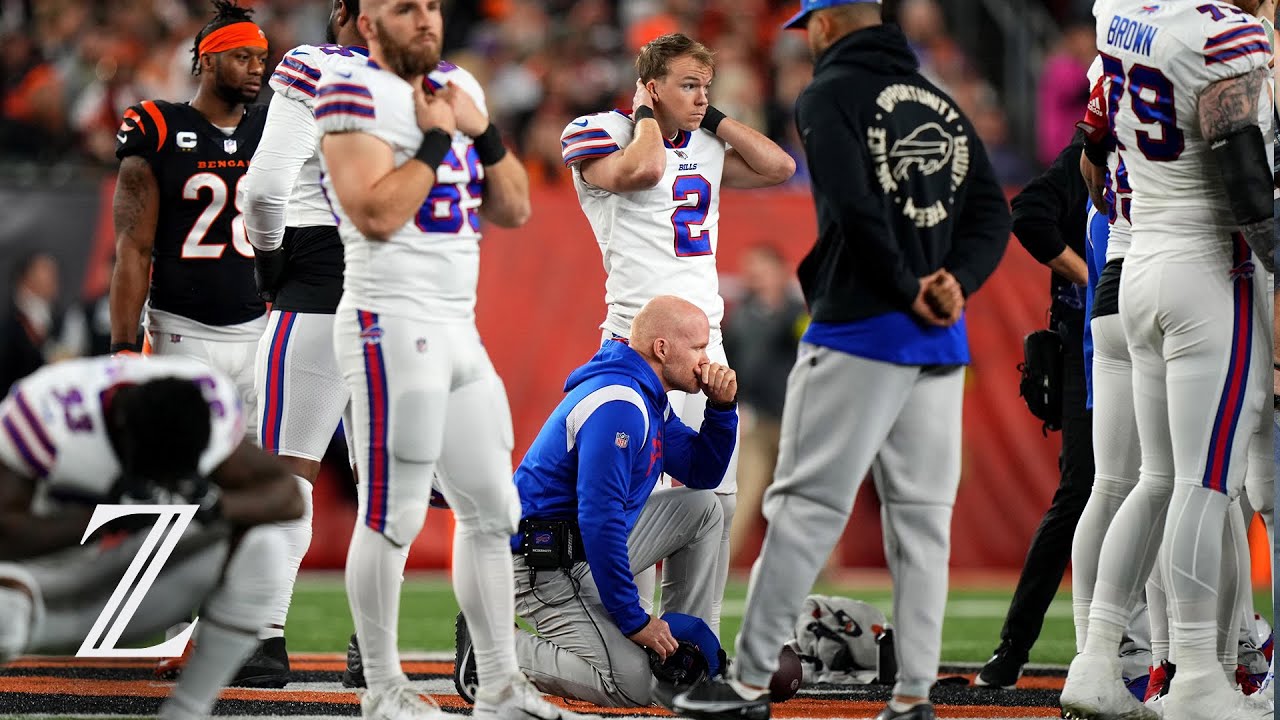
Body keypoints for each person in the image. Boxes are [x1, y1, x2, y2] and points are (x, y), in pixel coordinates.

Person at [672, 2, 1010, 719]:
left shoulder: (827, 94)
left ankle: (748, 683)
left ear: (824, 24)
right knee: (922, 522)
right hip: (940, 342)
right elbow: (991, 213)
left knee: (800, 510)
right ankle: (915, 694)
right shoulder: (938, 98)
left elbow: (855, 212)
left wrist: (904, 287)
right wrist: (955, 281)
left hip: (861, 328)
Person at [315, 1, 574, 718]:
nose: (425, 19)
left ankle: (498, 686)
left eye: (430, 5)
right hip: (387, 321)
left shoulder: (459, 88)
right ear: (367, 22)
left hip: (458, 326)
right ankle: (384, 690)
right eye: (405, 8)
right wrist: (433, 144)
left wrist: (481, 129)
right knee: (392, 514)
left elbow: (516, 207)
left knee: (494, 509)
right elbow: (373, 211)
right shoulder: (351, 89)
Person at [1059, 0, 1274, 718]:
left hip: (1136, 256)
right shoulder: (1226, 35)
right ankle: (1195, 679)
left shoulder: (1118, 12)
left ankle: (1094, 661)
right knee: (1204, 484)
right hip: (1209, 267)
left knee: (1151, 480)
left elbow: (1091, 143)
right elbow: (1248, 191)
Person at [560, 32, 794, 637]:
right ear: (651, 84)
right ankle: (625, 633)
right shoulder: (602, 132)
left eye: (706, 87)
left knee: (714, 498)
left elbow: (781, 167)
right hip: (634, 345)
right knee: (636, 497)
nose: (699, 99)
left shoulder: (707, 141)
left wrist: (711, 117)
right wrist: (645, 113)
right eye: (688, 86)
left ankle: (696, 637)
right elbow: (642, 170)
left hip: (705, 342)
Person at [0, 354, 303, 720]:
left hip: (143, 587)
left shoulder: (203, 406)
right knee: (5, 615)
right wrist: (108, 516)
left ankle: (186, 712)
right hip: (41, 596)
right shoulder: (45, 410)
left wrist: (211, 503)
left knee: (264, 549)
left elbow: (288, 497)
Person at [489, 295, 737, 708]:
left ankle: (679, 657)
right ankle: (490, 652)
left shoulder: (646, 392)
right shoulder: (619, 404)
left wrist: (721, 410)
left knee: (703, 508)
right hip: (541, 564)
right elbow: (598, 519)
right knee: (634, 686)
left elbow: (701, 471)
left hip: (579, 549)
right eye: (697, 346)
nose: (705, 359)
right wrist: (635, 621)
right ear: (662, 348)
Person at [235, 0, 368, 688]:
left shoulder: (313, 65)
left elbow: (263, 188)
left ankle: (263, 637)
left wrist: (268, 262)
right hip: (398, 295)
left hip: (316, 282)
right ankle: (374, 651)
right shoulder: (435, 83)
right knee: (390, 486)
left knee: (287, 470)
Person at [108, 0, 269, 438]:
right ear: (208, 61)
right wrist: (123, 347)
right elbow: (133, 249)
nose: (257, 68)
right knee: (182, 465)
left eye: (261, 58)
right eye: (243, 57)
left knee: (258, 475)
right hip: (182, 330)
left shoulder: (273, 128)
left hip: (259, 331)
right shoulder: (158, 125)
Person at [975, 132, 1094, 689]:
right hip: (1089, 340)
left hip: (1144, 335)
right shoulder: (1093, 148)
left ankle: (1153, 642)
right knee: (1087, 488)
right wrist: (1093, 280)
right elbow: (1029, 213)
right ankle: (1015, 644)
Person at [721, 244, 806, 562]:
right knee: (742, 497)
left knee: (803, 499)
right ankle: (719, 566)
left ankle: (824, 569)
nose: (755, 278)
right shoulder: (741, 317)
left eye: (762, 270)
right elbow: (732, 363)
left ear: (782, 272)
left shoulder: (798, 314)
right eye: (752, 271)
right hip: (756, 420)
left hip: (795, 422)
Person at [0, 252, 62, 393]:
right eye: (45, 271)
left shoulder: (57, 321)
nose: (53, 277)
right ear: (26, 278)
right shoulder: (9, 326)